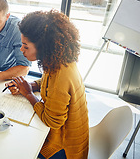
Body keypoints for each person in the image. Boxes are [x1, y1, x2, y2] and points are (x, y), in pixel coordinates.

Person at [6, 10, 89, 159]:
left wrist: (28, 94)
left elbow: (52, 121)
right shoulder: (58, 61)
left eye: (26, 46)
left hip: (63, 146)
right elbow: (47, 82)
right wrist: (29, 86)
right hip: (67, 134)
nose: (21, 49)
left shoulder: (62, 76)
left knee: (15, 145)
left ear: (43, 47)